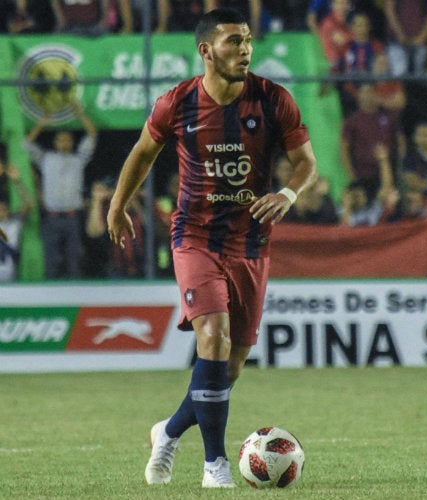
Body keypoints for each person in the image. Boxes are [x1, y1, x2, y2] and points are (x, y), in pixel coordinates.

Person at [106, 8, 318, 488]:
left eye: (247, 40)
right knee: (214, 338)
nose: (244, 49)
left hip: (251, 243)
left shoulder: (272, 99)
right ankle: (215, 466)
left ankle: (169, 430)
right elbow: (142, 151)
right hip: (195, 237)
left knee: (229, 366)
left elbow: (306, 163)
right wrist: (119, 204)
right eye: (232, 41)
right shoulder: (177, 103)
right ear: (206, 50)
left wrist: (287, 193)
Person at [23, 101, 97, 279]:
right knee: (51, 259)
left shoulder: (78, 159)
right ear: (55, 142)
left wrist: (79, 114)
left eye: (67, 139)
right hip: (52, 217)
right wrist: (42, 123)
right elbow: (26, 145)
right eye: (61, 139)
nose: (64, 142)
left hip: (73, 216)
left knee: (75, 258)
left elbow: (92, 135)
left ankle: (75, 293)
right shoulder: (46, 159)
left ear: (72, 142)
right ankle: (49, 296)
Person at [382, 0, 427, 75]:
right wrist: (400, 34)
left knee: (420, 76)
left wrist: (422, 37)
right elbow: (389, 8)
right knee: (399, 72)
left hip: (420, 42)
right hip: (396, 42)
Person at [0, 163, 34, 282]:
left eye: (3, 209)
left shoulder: (14, 223)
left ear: (8, 211)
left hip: (10, 275)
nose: (1, 212)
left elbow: (29, 204)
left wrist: (17, 182)